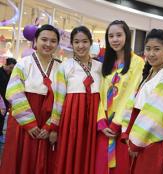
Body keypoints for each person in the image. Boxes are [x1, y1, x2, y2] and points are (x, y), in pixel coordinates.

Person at [0, 24, 61, 174]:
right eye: (44, 39)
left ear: (57, 44)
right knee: (20, 160)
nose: (48, 44)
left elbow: (62, 99)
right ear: (36, 41)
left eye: (53, 41)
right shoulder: (23, 64)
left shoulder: (62, 68)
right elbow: (14, 93)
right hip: (24, 122)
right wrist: (30, 124)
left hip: (48, 122)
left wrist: (50, 126)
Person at [121, 29, 163, 174]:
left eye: (157, 49)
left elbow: (155, 114)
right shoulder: (150, 74)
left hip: (152, 139)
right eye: (148, 49)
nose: (151, 54)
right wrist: (128, 134)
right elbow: (132, 104)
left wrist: (136, 142)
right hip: (140, 135)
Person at [49, 26, 102, 174]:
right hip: (72, 118)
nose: (81, 46)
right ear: (71, 44)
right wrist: (54, 127)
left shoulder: (100, 67)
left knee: (91, 154)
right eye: (76, 42)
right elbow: (59, 99)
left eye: (85, 41)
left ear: (91, 43)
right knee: (71, 153)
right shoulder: (65, 66)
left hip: (94, 119)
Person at [95, 20, 145, 174]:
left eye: (119, 35)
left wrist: (117, 123)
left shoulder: (137, 62)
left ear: (127, 36)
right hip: (104, 126)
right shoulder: (107, 63)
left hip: (123, 124)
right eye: (111, 36)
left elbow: (131, 93)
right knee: (101, 166)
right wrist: (101, 121)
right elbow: (101, 94)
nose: (115, 40)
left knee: (120, 167)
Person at [0, 57, 17, 143]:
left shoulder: (12, 75)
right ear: (5, 65)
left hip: (6, 100)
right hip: (0, 99)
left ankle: (0, 134)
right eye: (10, 67)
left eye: (13, 68)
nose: (11, 70)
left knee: (2, 118)